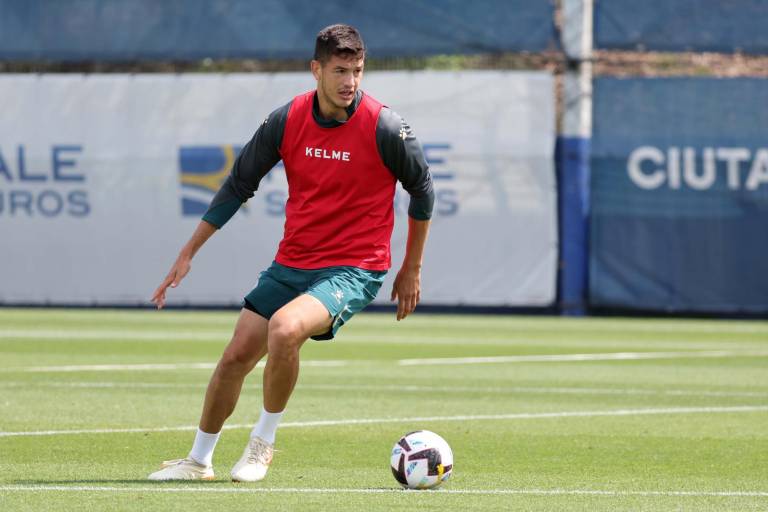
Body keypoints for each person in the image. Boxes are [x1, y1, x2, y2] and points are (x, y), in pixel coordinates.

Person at [147, 24, 434, 482]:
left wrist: (411, 267)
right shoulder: (287, 119)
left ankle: (262, 445)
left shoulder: (384, 126)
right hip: (292, 262)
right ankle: (198, 461)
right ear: (315, 69)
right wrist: (188, 253)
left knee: (285, 330)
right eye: (340, 71)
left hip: (354, 267)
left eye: (357, 71)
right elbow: (239, 184)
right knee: (236, 354)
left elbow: (422, 189)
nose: (350, 82)